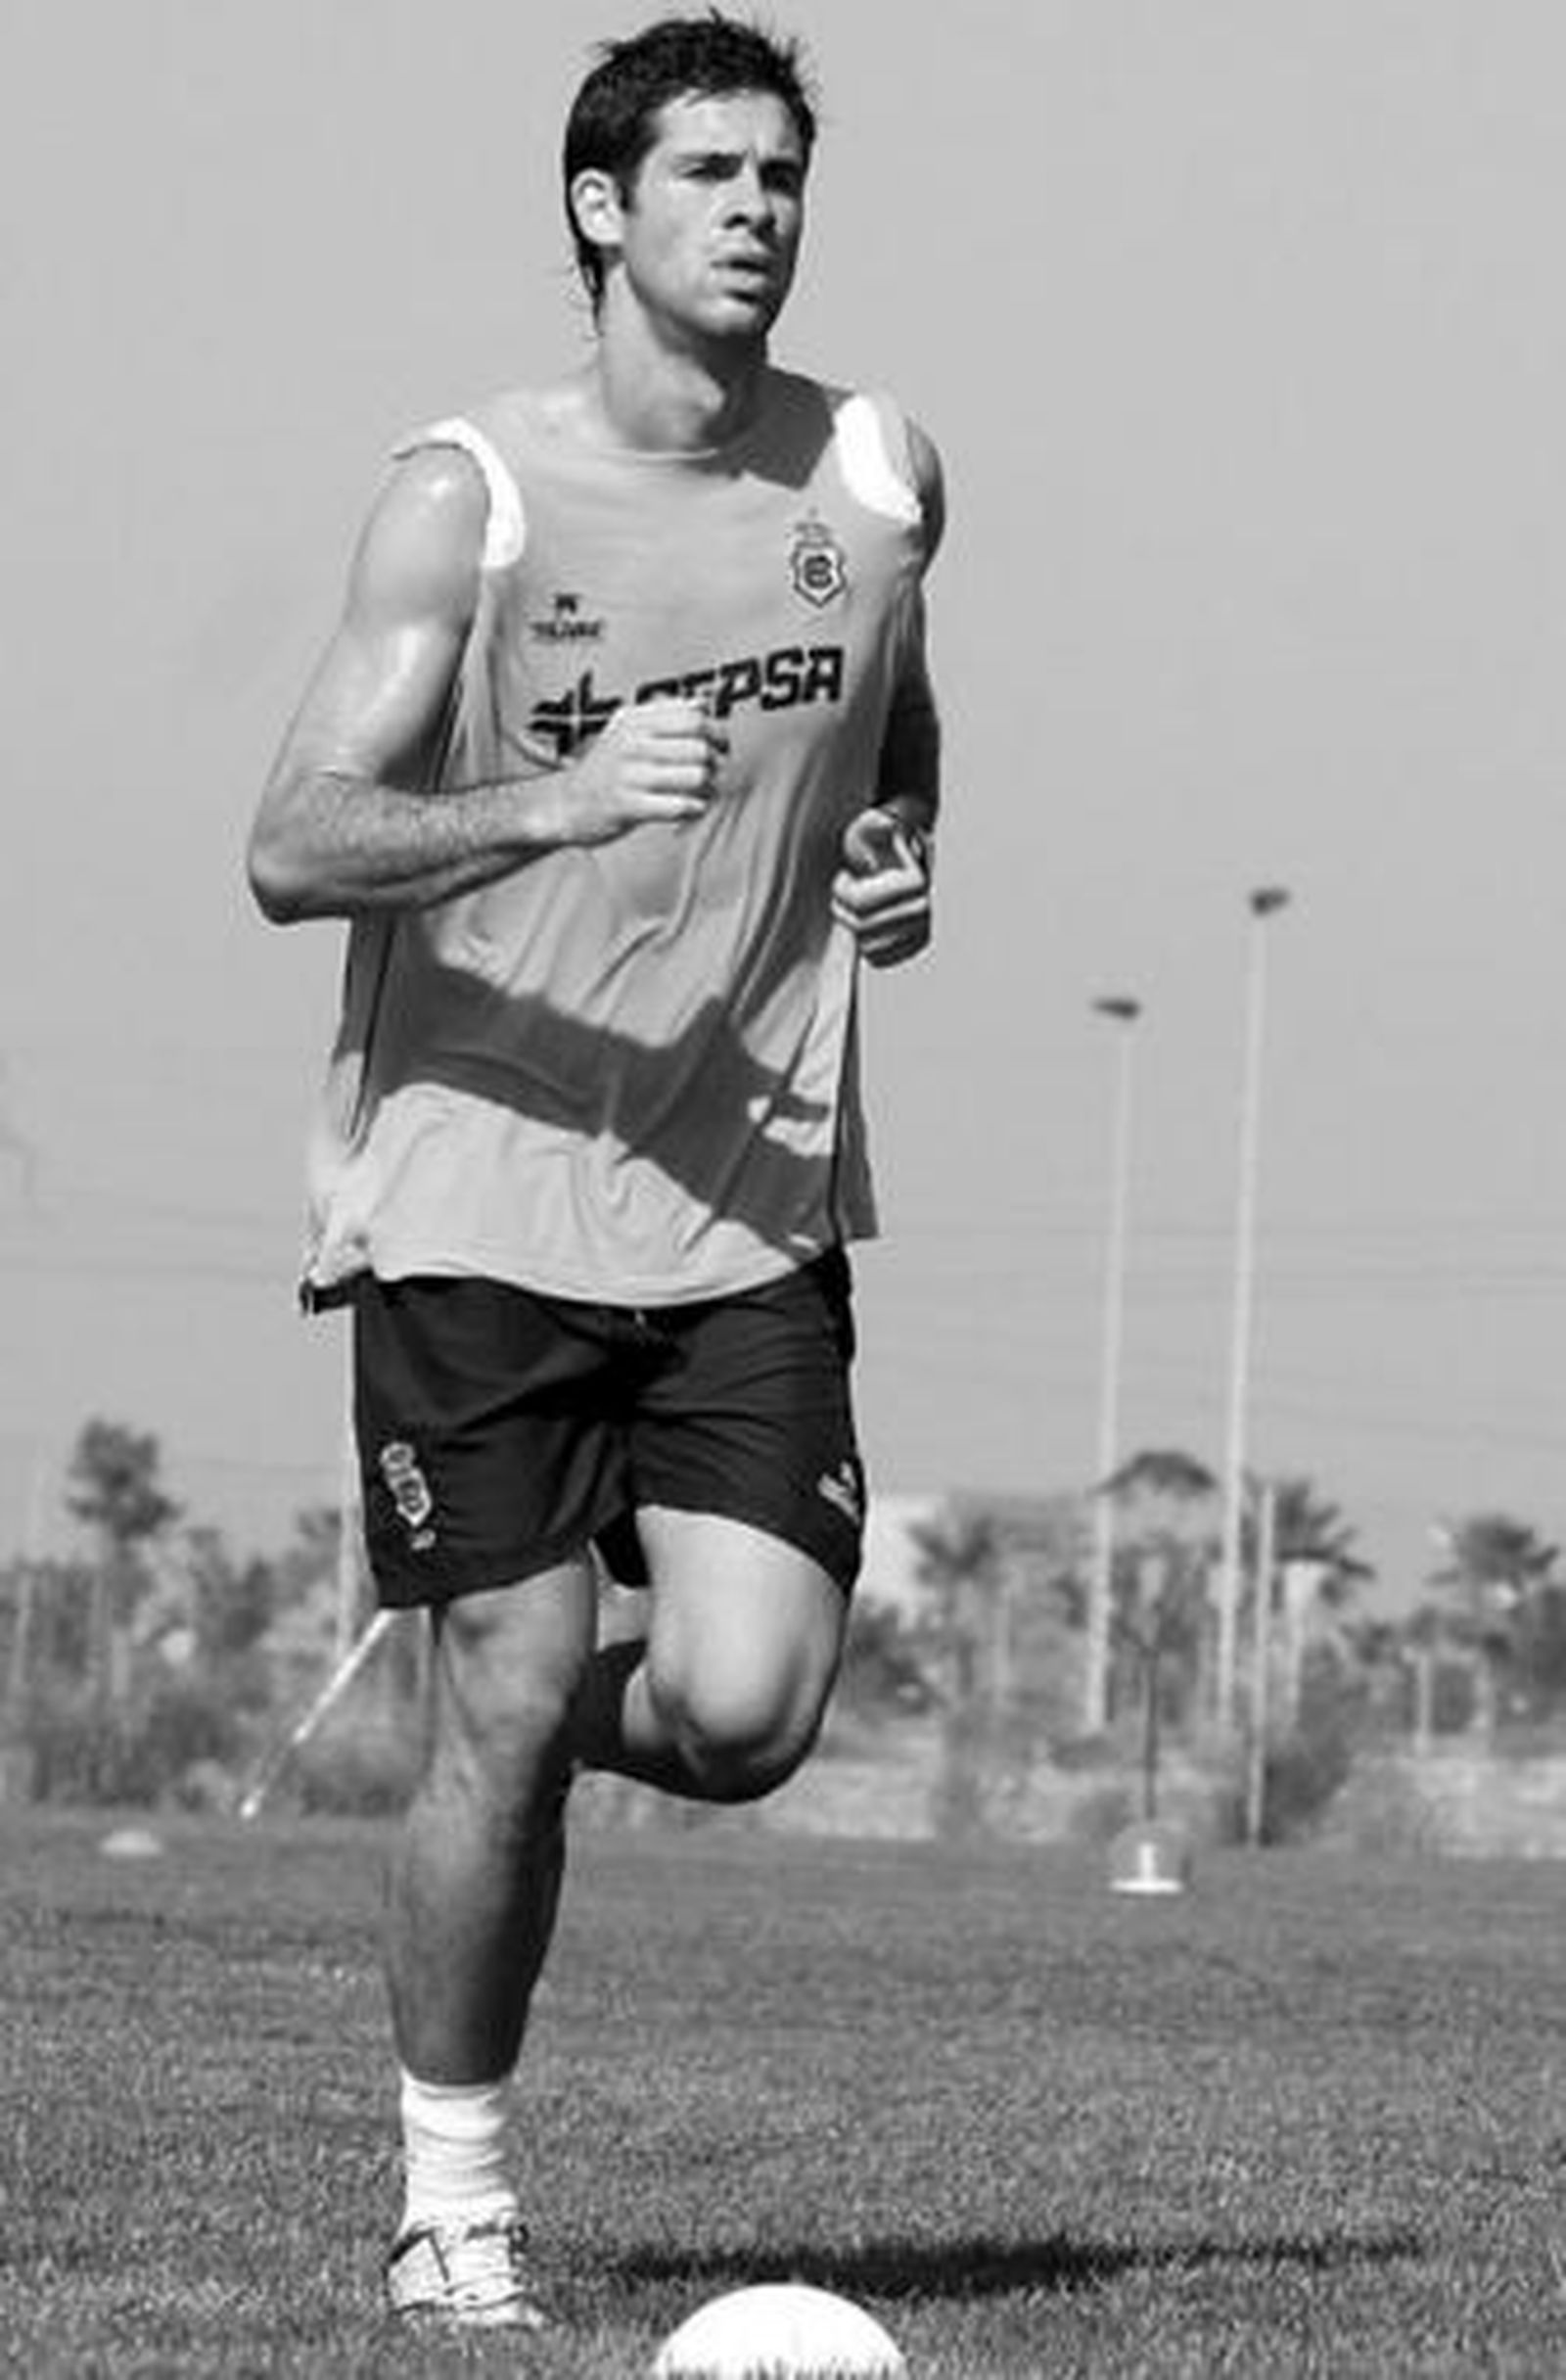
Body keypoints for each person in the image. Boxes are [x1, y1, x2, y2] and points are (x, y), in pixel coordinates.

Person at [248, 12, 944, 2333]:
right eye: (709, 176)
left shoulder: (873, 470)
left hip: (748, 1196)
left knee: (744, 1713)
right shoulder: (471, 495)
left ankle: (498, 1718)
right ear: (600, 213)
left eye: (779, 178)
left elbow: (888, 707)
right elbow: (290, 843)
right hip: (475, 1186)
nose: (754, 212)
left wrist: (898, 846)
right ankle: (454, 2202)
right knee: (516, 1685)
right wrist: (548, 798)